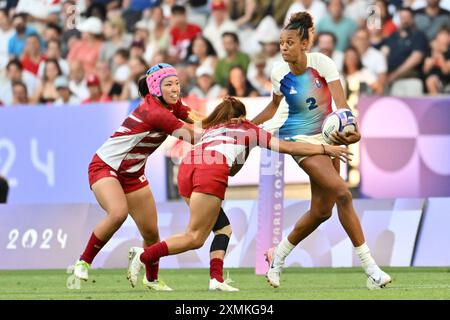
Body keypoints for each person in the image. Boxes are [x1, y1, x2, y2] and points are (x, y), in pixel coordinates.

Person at [128, 96, 352, 290]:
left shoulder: (212, 129)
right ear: (242, 116)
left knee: (223, 228)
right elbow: (289, 147)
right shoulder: (249, 129)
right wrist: (325, 148)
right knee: (195, 237)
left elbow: (233, 170)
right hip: (210, 171)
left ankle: (216, 279)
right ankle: (143, 255)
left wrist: (246, 149)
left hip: (188, 168)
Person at [251, 11, 392, 290]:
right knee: (343, 193)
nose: (283, 47)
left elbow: (342, 107)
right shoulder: (278, 73)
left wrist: (351, 131)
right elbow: (272, 108)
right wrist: (246, 125)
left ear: (304, 43)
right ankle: (372, 270)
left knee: (321, 211)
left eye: (289, 42)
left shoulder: (322, 64)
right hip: (300, 140)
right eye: (281, 43)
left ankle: (276, 256)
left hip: (329, 137)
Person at [73, 63, 236, 292]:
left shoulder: (173, 105)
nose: (175, 88)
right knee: (118, 213)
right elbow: (192, 135)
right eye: (168, 84)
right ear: (155, 89)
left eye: (177, 83)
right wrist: (232, 132)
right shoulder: (154, 112)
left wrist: (222, 119)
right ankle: (83, 262)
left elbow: (198, 118)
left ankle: (151, 279)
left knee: (151, 232)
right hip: (104, 167)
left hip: (133, 174)